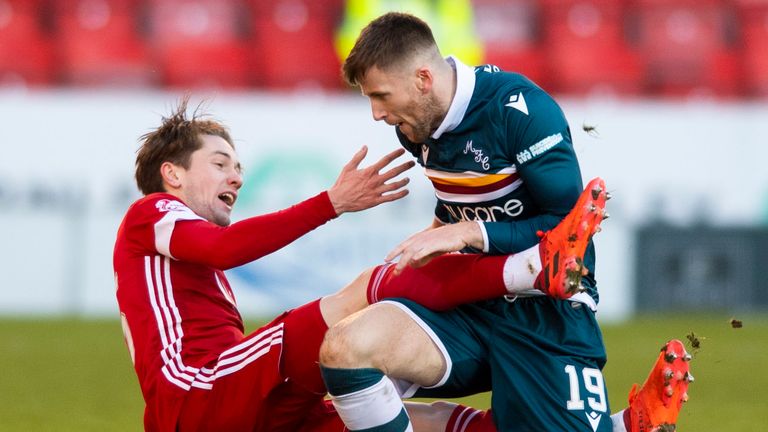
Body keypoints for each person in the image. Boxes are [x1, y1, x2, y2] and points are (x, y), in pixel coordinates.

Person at [113, 98, 614, 431]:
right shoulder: (151, 212)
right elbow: (229, 250)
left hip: (234, 408)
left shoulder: (183, 249)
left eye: (239, 166)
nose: (236, 176)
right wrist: (332, 202)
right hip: (200, 395)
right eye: (220, 163)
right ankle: (530, 270)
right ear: (172, 174)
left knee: (392, 414)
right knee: (370, 287)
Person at [318, 12, 692, 432]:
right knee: (347, 350)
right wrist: (436, 234)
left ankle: (623, 426)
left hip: (545, 307)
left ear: (423, 79)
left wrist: (469, 233)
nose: (376, 114)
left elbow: (567, 228)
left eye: (381, 96)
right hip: (471, 303)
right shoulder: (415, 128)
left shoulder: (521, 110)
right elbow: (461, 203)